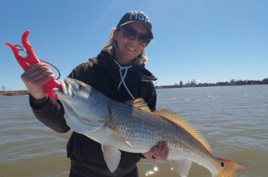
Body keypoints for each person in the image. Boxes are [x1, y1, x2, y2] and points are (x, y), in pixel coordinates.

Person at [21, 10, 169, 177]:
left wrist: (151, 153)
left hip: (128, 172)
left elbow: (149, 136)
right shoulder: (85, 72)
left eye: (143, 38)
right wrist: (38, 96)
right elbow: (62, 124)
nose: (135, 41)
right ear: (116, 34)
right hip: (83, 171)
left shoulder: (146, 85)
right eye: (130, 32)